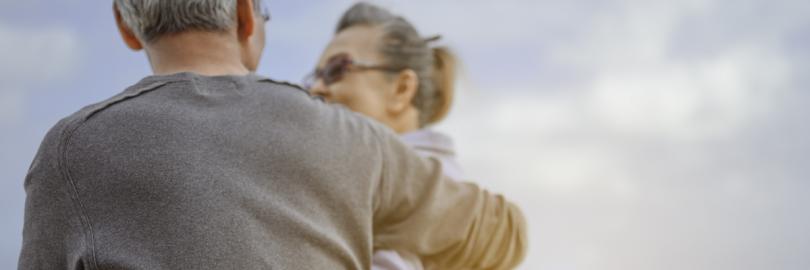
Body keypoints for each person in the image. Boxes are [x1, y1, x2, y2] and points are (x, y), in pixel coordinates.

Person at [18, 0, 527, 269]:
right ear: (246, 16)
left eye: (337, 69)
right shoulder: (350, 142)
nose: (317, 87)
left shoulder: (70, 150)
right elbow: (503, 232)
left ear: (125, 26)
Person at [308, 3, 472, 269]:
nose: (316, 88)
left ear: (402, 89)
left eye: (336, 69)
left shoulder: (422, 192)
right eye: (313, 76)